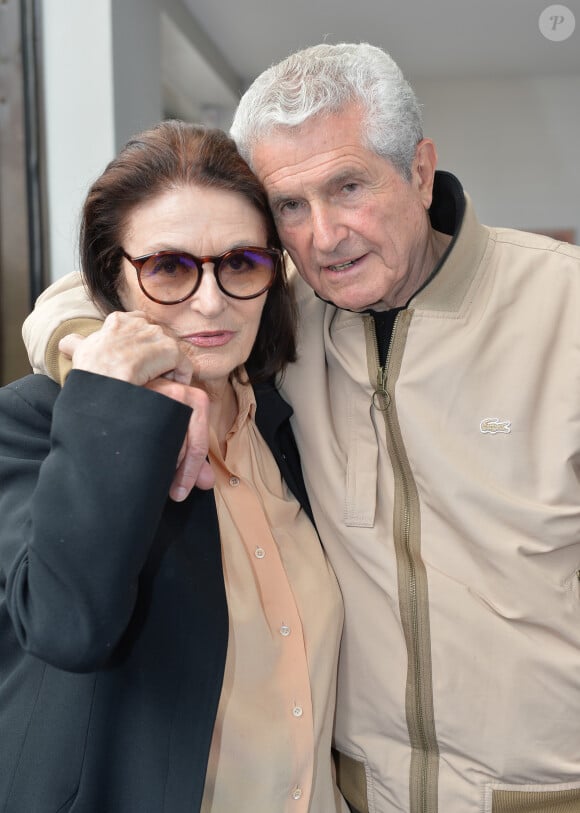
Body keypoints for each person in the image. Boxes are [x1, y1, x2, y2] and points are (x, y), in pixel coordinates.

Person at [21, 43, 580, 813]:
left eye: (349, 186)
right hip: (354, 795)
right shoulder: (283, 310)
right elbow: (129, 275)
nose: (323, 236)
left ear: (419, 171)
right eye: (289, 206)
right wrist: (102, 363)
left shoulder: (563, 309)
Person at [0, 120, 347, 813]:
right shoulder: (33, 422)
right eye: (168, 267)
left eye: (241, 262)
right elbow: (69, 626)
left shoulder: (287, 425)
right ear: (114, 278)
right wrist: (110, 405)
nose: (212, 301)